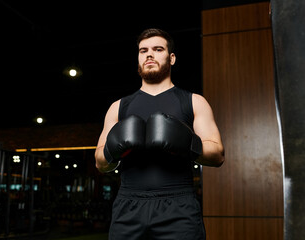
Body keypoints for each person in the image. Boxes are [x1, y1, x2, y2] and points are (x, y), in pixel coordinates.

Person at [95, 28, 224, 240]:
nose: (149, 55)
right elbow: (100, 163)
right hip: (128, 206)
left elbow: (218, 155)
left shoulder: (193, 101)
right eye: (143, 50)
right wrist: (114, 148)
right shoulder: (118, 107)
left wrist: (184, 142)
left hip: (178, 207)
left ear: (171, 58)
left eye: (157, 49)